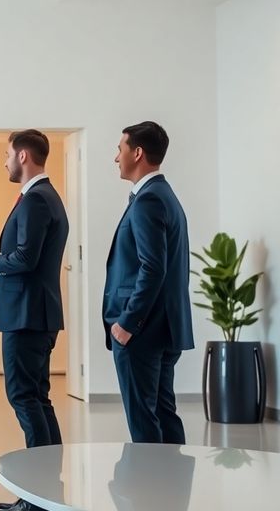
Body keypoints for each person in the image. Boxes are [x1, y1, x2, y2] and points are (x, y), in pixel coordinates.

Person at [0, 129, 68, 511]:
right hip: (35, 314)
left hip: (27, 316)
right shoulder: (46, 197)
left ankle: (38, 497)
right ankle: (46, 493)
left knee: (25, 398)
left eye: (7, 154)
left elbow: (26, 259)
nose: (6, 161)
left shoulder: (36, 199)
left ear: (23, 156)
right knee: (37, 399)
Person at [104, 121, 193, 444]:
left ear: (137, 153)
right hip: (163, 327)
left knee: (144, 422)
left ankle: (150, 479)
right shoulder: (163, 195)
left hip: (142, 330)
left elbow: (153, 268)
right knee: (164, 413)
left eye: (120, 149)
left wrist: (127, 323)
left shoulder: (148, 200)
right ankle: (173, 478)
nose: (117, 157)